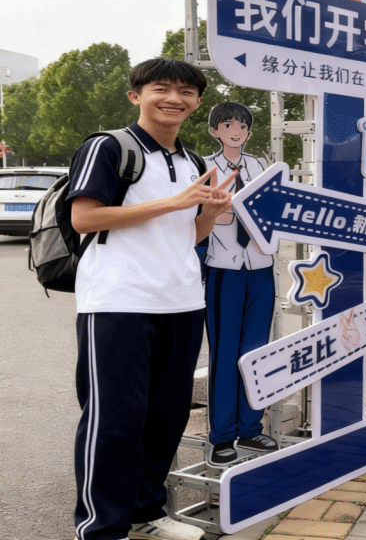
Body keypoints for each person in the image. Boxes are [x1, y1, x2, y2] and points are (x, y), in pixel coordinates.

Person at [67, 58, 237, 540]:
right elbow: (85, 219)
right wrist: (175, 202)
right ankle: (102, 528)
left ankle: (146, 513)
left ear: (197, 102)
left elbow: (189, 236)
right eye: (161, 88)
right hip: (117, 301)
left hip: (181, 301)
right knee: (115, 418)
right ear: (136, 95)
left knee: (167, 417)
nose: (173, 99)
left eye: (186, 92)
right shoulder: (108, 147)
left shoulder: (195, 163)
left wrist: (210, 213)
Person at [202, 102, 278, 467]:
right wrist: (228, 210)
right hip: (224, 267)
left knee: (256, 350)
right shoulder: (203, 167)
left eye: (242, 126)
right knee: (224, 352)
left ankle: (250, 427)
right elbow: (203, 215)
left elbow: (271, 209)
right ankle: (221, 437)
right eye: (228, 124)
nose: (236, 131)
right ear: (215, 130)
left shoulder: (260, 166)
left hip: (261, 265)